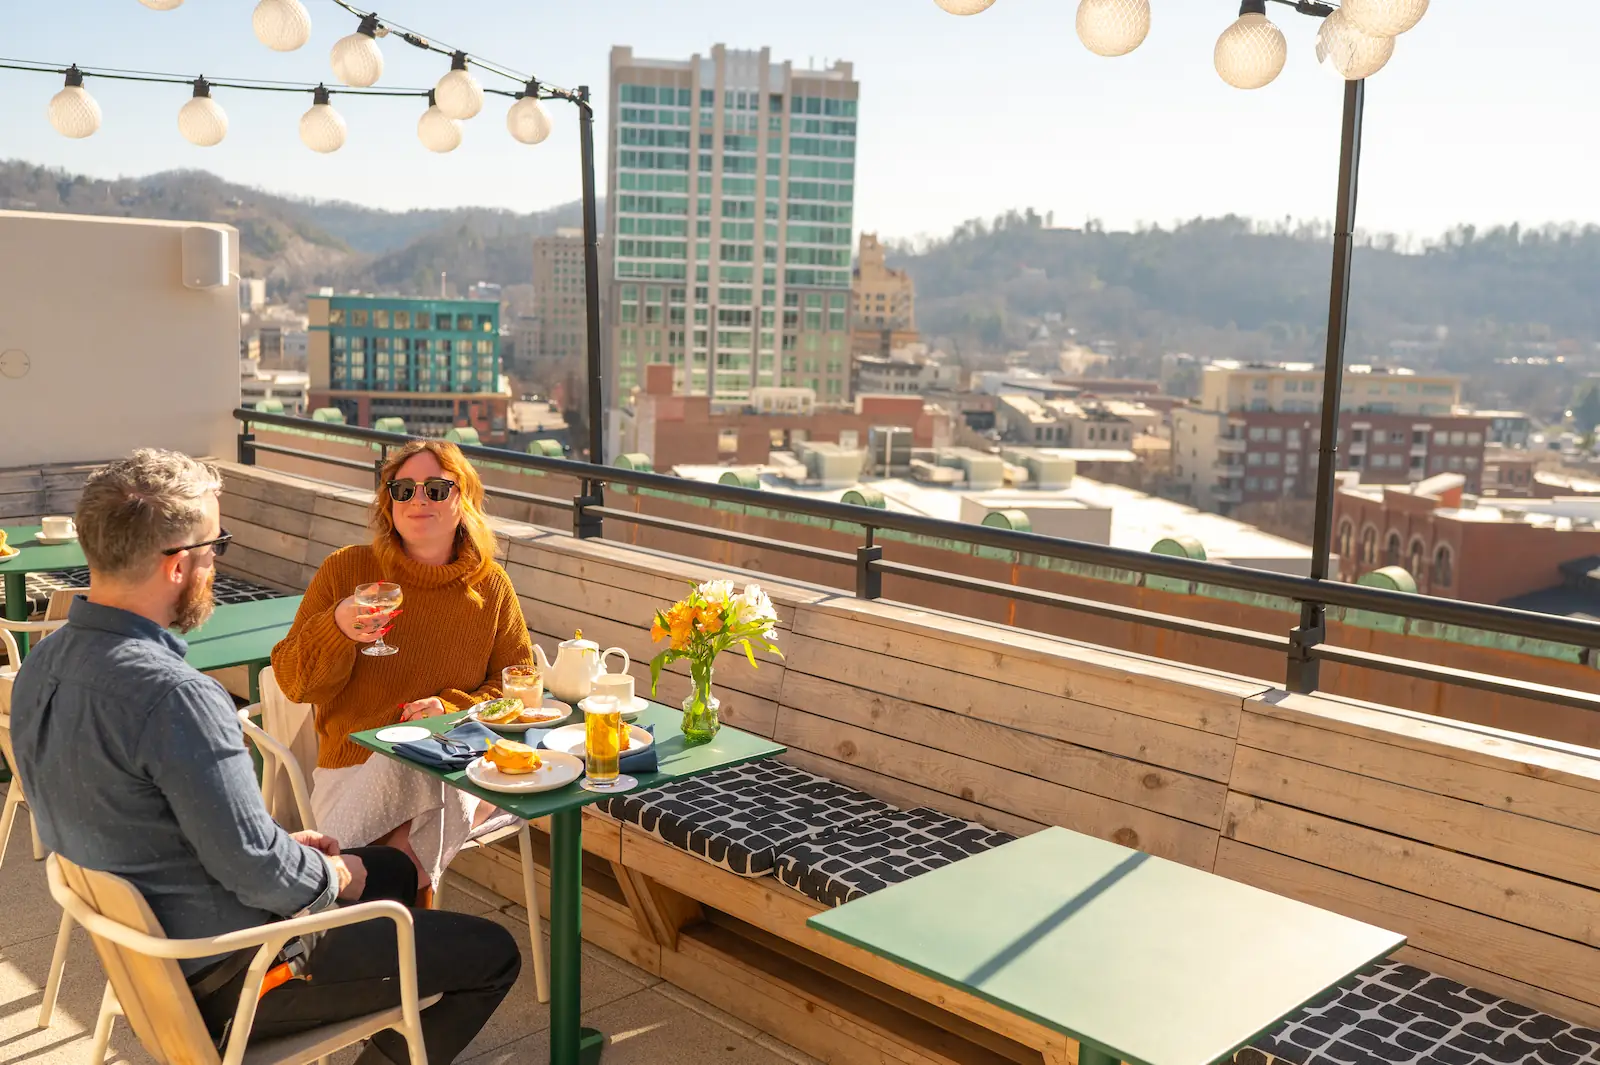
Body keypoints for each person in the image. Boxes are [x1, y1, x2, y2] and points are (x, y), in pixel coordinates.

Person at [10, 449, 519, 1064]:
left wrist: (289, 847)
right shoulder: (177, 698)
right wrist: (333, 874)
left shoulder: (43, 664)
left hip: (153, 956)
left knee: (393, 870)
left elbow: (182, 829)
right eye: (214, 547)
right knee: (493, 954)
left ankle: (390, 989)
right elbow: (260, 873)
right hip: (243, 972)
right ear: (179, 564)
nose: (214, 565)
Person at [271, 439, 533, 897]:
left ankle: (341, 886)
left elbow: (519, 688)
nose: (417, 500)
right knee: (423, 765)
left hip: (452, 765)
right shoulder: (347, 569)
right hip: (354, 771)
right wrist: (338, 627)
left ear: (464, 499)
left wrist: (450, 709)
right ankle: (387, 913)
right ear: (388, 501)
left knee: (430, 757)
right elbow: (296, 684)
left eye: (436, 489)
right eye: (404, 489)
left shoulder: (491, 587)